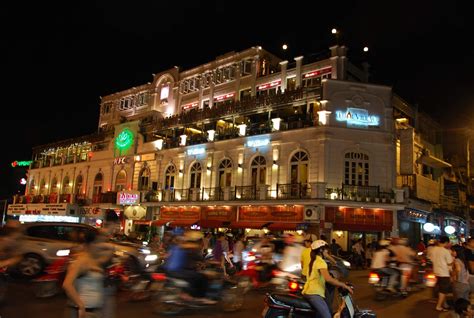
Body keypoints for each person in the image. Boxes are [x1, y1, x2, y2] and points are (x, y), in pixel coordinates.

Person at [62, 229, 115, 318]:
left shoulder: (95, 260)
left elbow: (111, 250)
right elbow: (67, 285)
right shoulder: (82, 261)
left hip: (95, 310)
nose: (100, 246)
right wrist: (81, 306)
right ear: (90, 244)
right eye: (97, 243)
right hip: (86, 311)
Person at [302, 240, 352, 318]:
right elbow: (328, 279)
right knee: (327, 316)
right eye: (326, 250)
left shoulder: (314, 260)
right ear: (321, 250)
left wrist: (336, 281)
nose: (327, 253)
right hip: (314, 294)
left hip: (308, 291)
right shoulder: (320, 262)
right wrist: (343, 285)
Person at [430, 235, 454, 312]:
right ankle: (439, 306)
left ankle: (444, 304)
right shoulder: (445, 251)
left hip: (436, 272)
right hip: (444, 273)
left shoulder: (433, 249)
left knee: (440, 289)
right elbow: (450, 263)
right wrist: (453, 258)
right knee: (443, 291)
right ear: (446, 242)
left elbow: (431, 260)